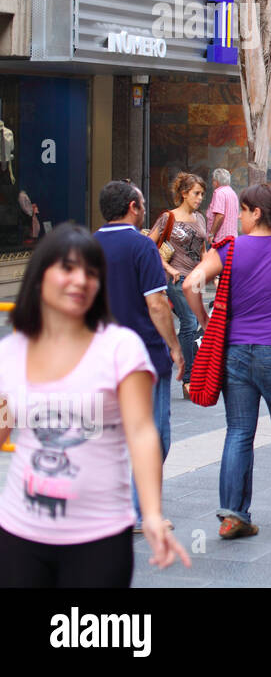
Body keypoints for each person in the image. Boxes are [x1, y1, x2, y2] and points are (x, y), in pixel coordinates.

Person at [0, 224, 190, 586]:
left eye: (91, 272)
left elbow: (141, 431)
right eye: (68, 268)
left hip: (99, 534)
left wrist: (150, 513)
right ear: (41, 277)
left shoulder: (119, 348)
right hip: (21, 531)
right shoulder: (12, 352)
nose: (81, 280)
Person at [185, 183, 271, 539]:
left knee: (239, 431)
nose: (241, 218)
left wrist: (203, 319)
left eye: (244, 211)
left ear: (256, 212)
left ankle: (233, 514)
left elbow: (190, 284)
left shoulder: (230, 248)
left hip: (235, 353)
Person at [94, 180, 184, 528]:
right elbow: (157, 305)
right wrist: (175, 347)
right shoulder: (142, 247)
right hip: (143, 355)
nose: (145, 208)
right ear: (133, 206)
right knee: (155, 433)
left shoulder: (88, 246)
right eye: (142, 203)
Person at [149, 172, 208, 399]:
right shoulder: (168, 218)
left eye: (202, 193)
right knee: (189, 322)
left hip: (197, 279)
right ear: (184, 194)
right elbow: (149, 246)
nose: (200, 197)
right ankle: (188, 380)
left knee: (197, 325)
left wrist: (210, 271)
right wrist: (168, 268)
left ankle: (169, 355)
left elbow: (203, 250)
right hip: (177, 279)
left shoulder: (200, 218)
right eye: (196, 193)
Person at [207, 167, 239, 244]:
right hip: (232, 238)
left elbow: (220, 215)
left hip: (220, 239)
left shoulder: (219, 193)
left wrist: (211, 234)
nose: (213, 183)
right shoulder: (233, 193)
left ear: (216, 181)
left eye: (213, 180)